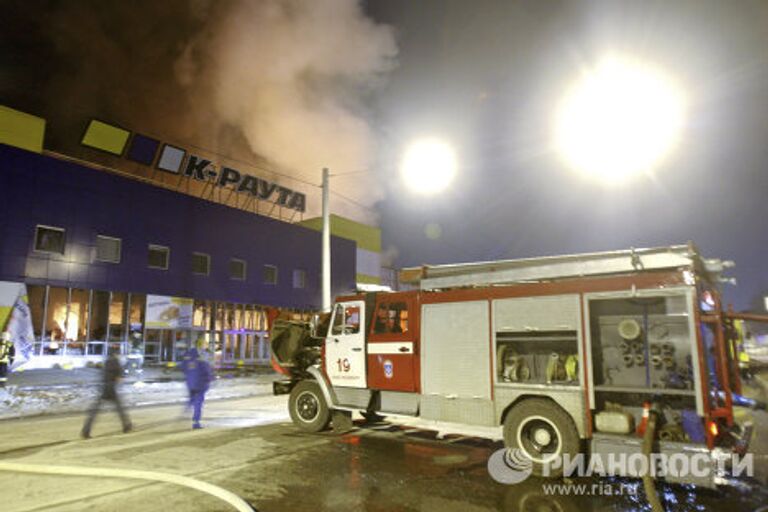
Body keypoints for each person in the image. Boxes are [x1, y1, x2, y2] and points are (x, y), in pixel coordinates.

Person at [81, 348, 132, 438]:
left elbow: (104, 374)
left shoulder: (107, 362)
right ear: (116, 354)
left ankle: (86, 430)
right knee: (120, 409)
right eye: (119, 354)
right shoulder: (116, 362)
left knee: (95, 411)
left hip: (104, 387)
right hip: (111, 388)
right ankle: (126, 425)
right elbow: (119, 377)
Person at [181, 347, 214, 429]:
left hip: (191, 386)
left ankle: (187, 408)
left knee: (192, 398)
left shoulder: (186, 363)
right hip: (200, 386)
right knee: (198, 404)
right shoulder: (202, 363)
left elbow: (184, 370)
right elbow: (208, 375)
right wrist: (210, 379)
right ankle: (196, 422)